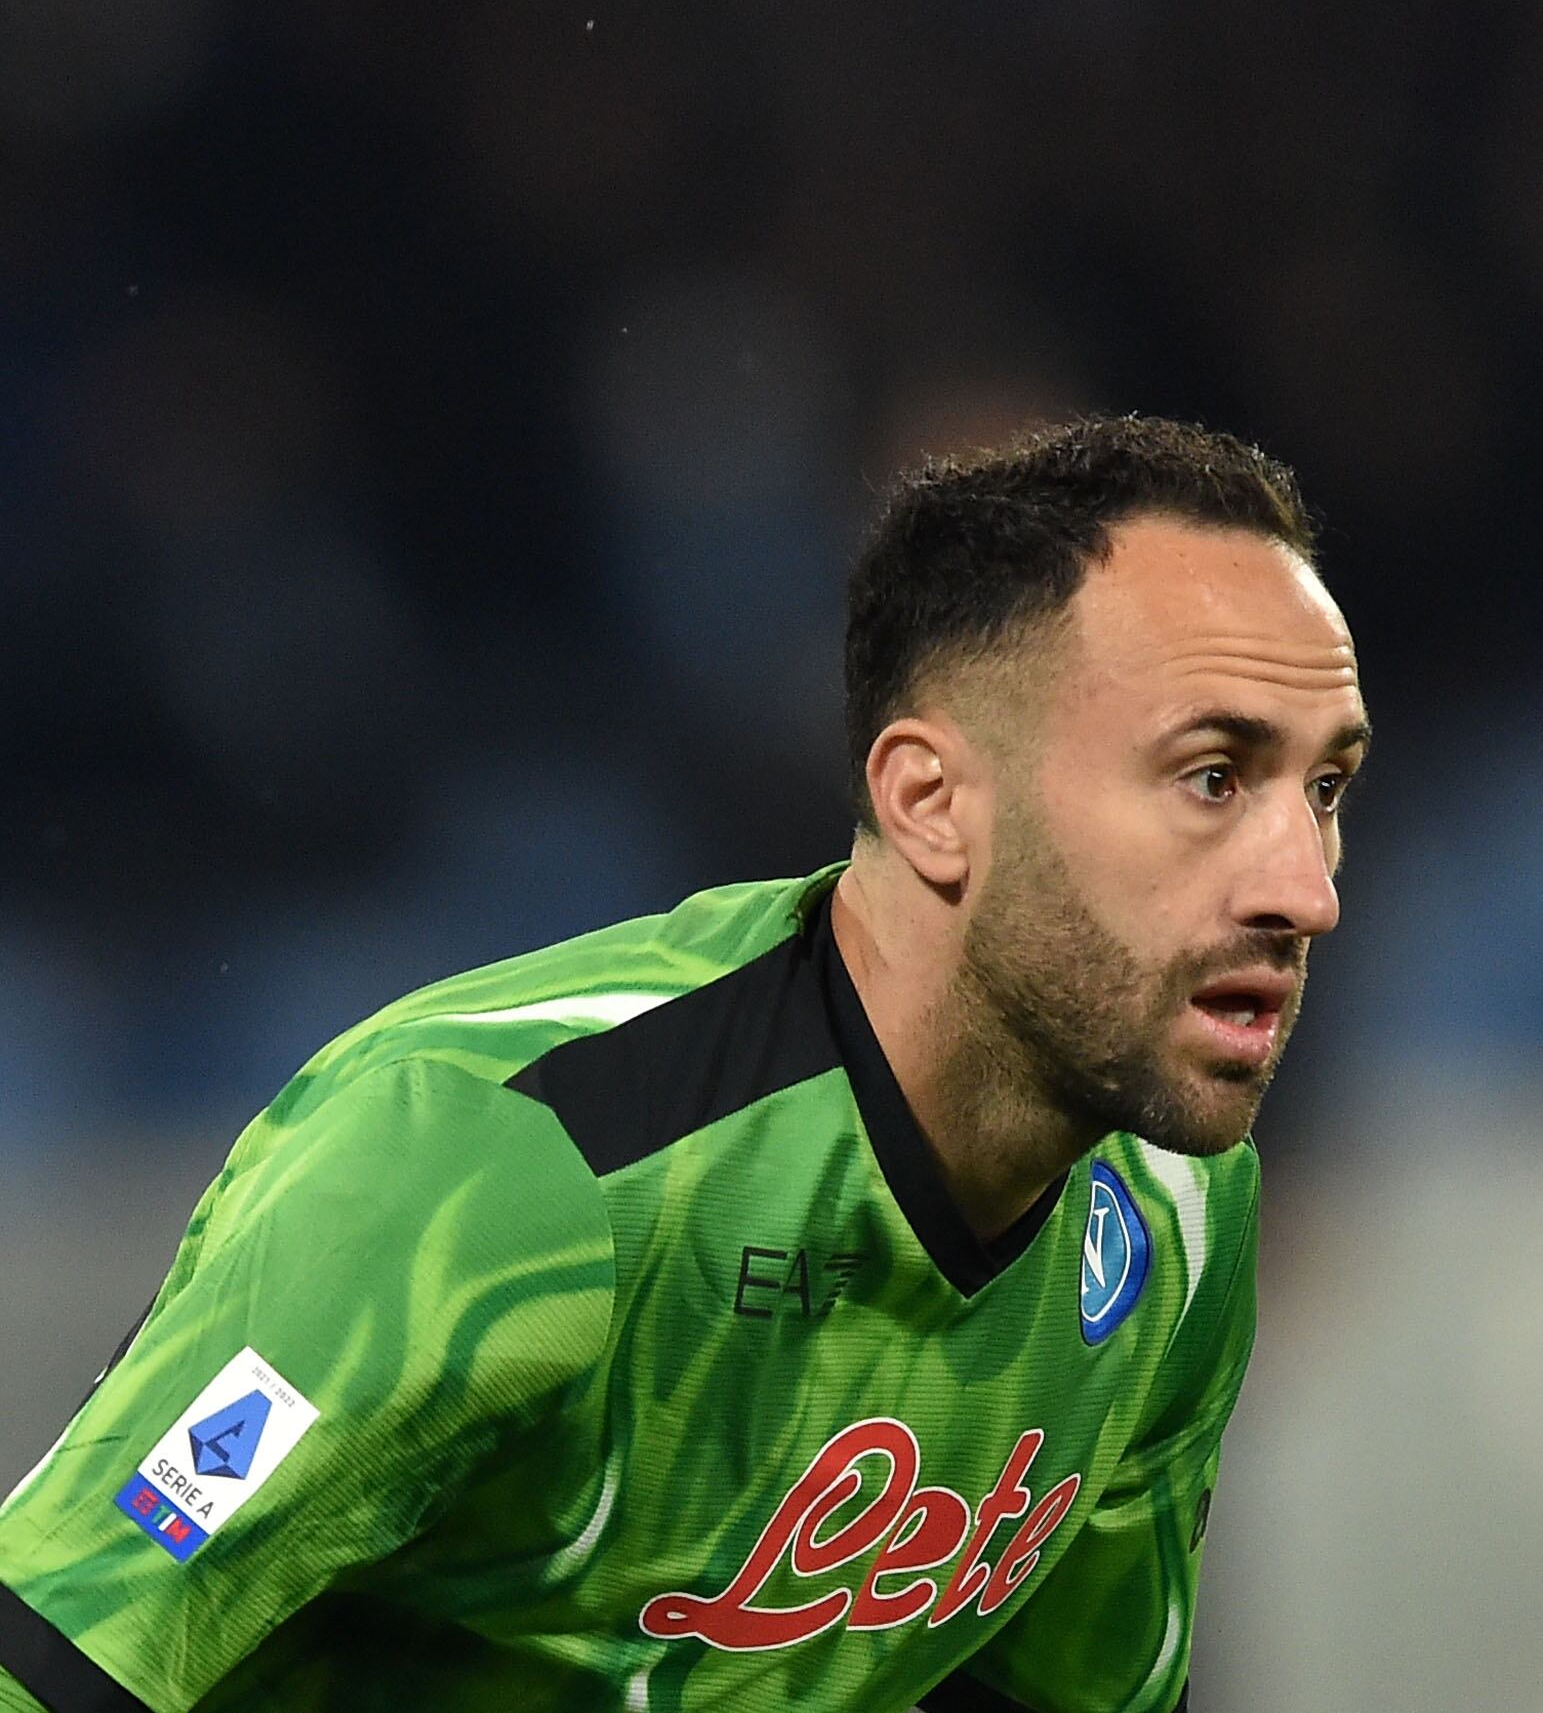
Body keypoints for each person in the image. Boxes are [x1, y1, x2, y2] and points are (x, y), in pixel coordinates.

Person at [0, 416, 1367, 1713]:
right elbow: (54, 1648)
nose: (1306, 889)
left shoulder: (1177, 1226)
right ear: (932, 804)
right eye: (1209, 779)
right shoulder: (504, 1160)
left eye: (1324, 789)